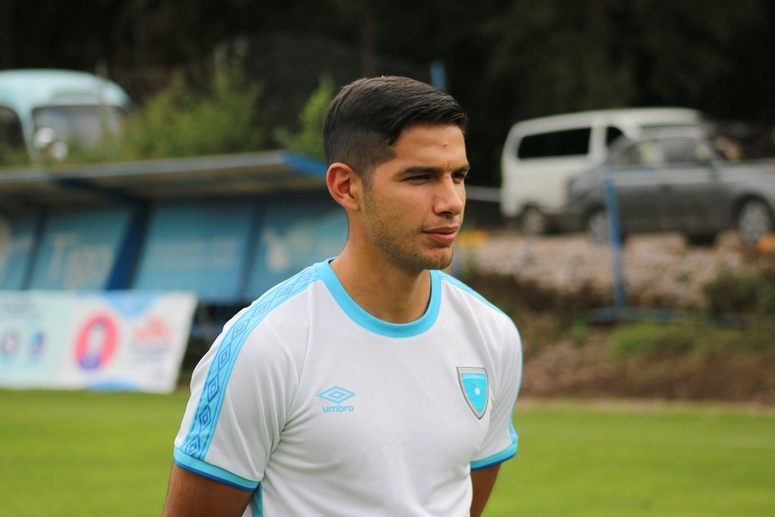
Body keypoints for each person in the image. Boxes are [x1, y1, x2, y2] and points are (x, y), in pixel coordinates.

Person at [163, 75, 523, 517]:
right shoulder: (265, 346)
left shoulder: (492, 336)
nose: (451, 201)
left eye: (458, 176)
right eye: (420, 177)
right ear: (346, 187)